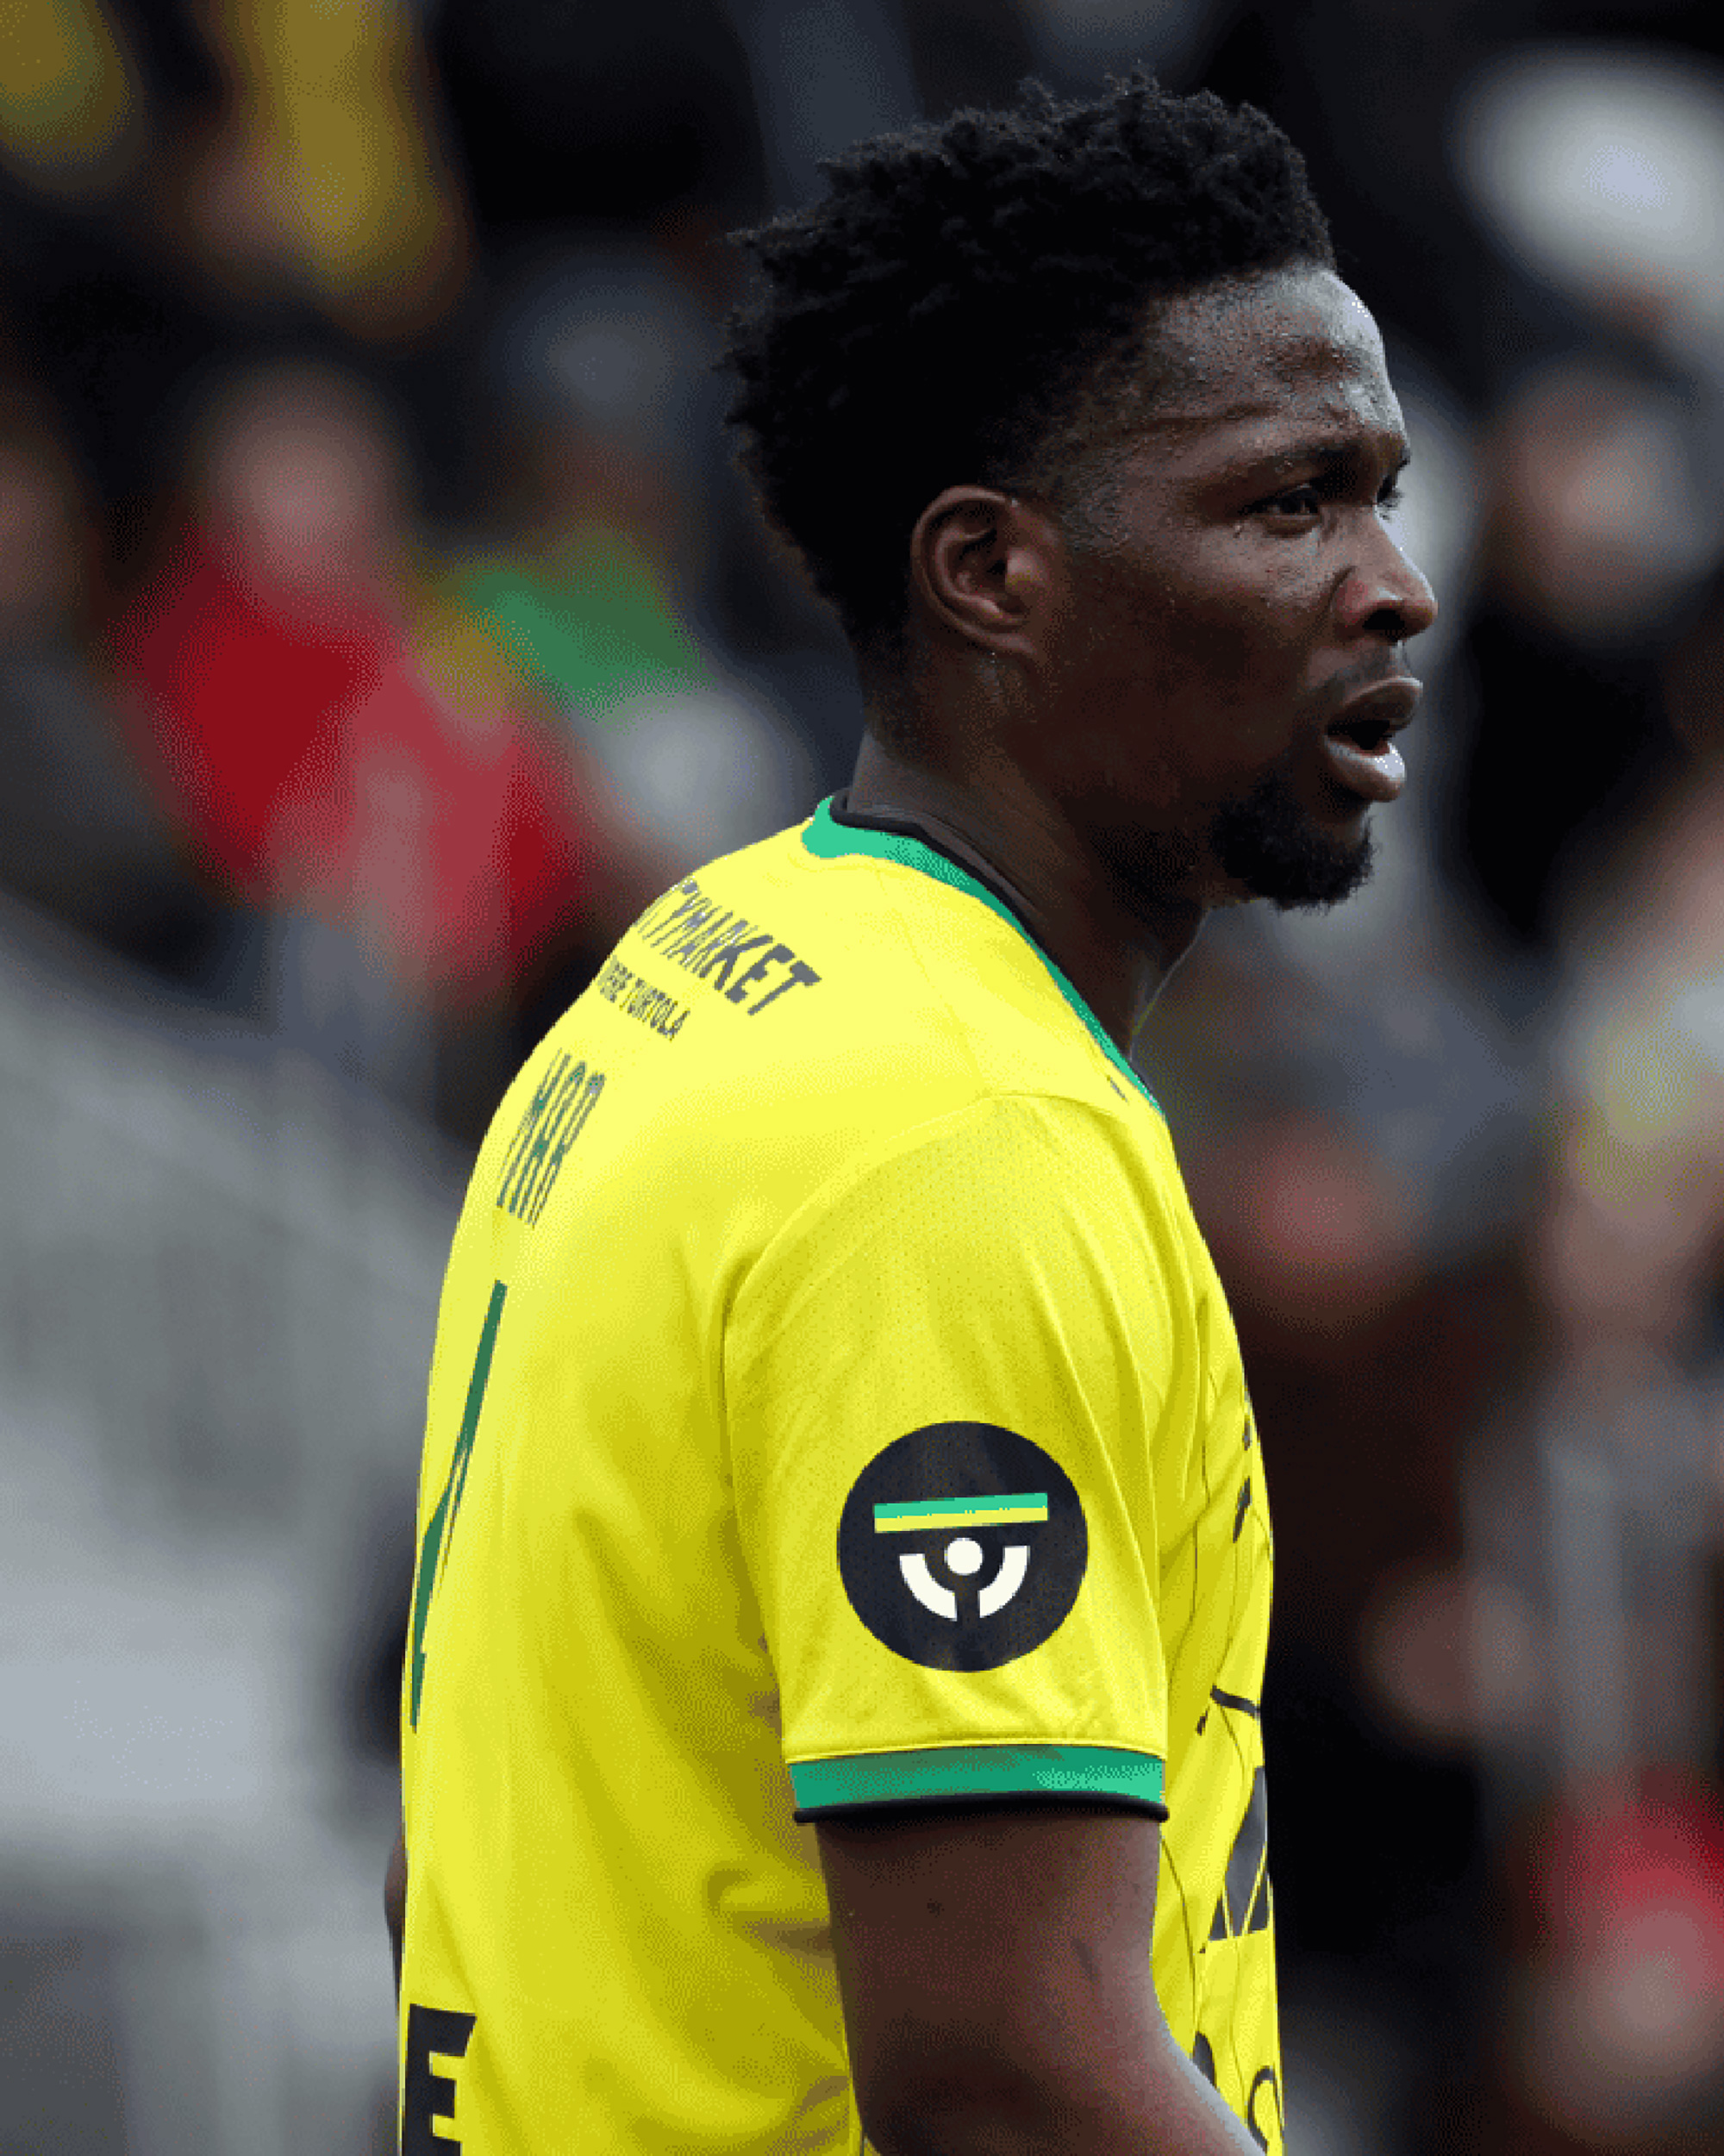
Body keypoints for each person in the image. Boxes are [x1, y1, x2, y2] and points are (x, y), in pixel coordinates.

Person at [387, 72, 1436, 2156]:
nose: (1392, 582)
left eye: (1380, 491)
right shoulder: (957, 1144)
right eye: (1287, 504)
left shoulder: (713, 963)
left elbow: (473, 1865)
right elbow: (1004, 2077)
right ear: (990, 573)